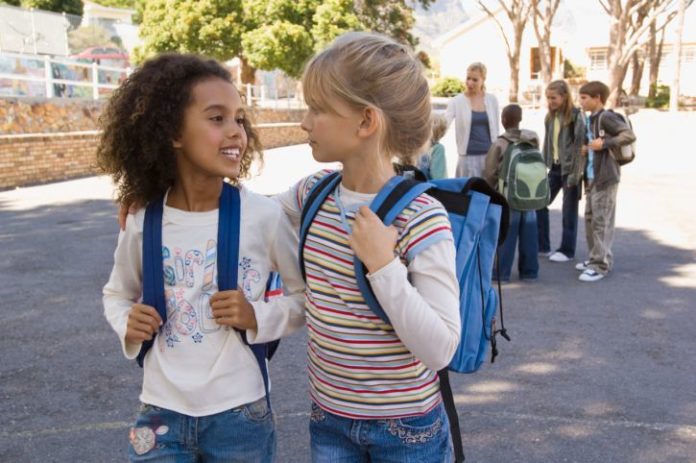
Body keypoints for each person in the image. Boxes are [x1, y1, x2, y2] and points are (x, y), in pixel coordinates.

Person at [98, 53, 305, 461]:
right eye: (217, 119)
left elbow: (305, 298)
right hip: (160, 412)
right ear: (173, 132)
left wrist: (257, 316)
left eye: (239, 119)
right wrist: (128, 320)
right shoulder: (143, 219)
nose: (236, 133)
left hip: (241, 415)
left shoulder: (262, 216)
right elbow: (116, 294)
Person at [275, 32, 461, 462]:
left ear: (365, 122)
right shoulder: (311, 194)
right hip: (329, 418)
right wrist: (153, 196)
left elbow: (440, 349)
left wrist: (382, 264)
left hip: (407, 429)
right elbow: (249, 214)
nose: (305, 123)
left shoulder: (421, 216)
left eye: (317, 109)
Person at [576, 81, 636, 282]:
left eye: (584, 98)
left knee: (601, 220)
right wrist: (589, 147)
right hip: (593, 176)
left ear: (597, 98)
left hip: (606, 176)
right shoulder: (592, 118)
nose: (581, 101)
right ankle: (596, 257)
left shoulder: (606, 117)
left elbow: (628, 135)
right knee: (591, 218)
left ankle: (599, 265)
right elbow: (595, 144)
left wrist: (605, 144)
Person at [483, 104, 539, 281]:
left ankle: (502, 273)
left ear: (504, 120)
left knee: (508, 233)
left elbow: (490, 173)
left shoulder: (499, 143)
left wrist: (490, 194)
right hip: (530, 193)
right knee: (529, 234)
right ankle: (529, 271)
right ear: (520, 119)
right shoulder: (532, 139)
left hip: (508, 196)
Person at [536, 80, 586, 263]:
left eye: (554, 98)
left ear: (564, 96)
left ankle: (567, 250)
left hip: (570, 169)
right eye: (548, 98)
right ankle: (543, 246)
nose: (550, 101)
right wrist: (541, 166)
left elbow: (580, 145)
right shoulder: (550, 117)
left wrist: (576, 173)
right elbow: (547, 144)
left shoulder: (575, 116)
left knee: (569, 210)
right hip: (554, 168)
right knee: (539, 202)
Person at [444, 62, 500, 178]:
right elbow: (444, 124)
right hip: (466, 158)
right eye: (468, 78)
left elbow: (496, 129)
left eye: (475, 80)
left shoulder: (492, 100)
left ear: (483, 80)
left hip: (488, 157)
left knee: (488, 193)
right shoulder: (456, 101)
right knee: (466, 194)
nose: (470, 83)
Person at [417, 115, 448, 180]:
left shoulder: (415, 147)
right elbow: (438, 177)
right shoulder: (438, 149)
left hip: (414, 187)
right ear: (441, 132)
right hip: (429, 188)